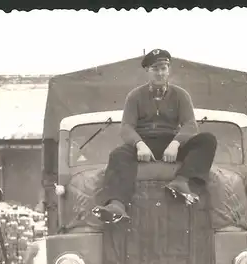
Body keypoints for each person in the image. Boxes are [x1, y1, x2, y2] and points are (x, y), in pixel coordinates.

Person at [92, 49, 217, 224]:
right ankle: (117, 205)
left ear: (169, 70)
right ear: (147, 71)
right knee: (118, 155)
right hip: (144, 144)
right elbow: (126, 127)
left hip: (171, 143)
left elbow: (190, 125)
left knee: (207, 140)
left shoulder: (181, 95)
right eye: (155, 69)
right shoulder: (135, 96)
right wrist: (138, 144)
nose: (160, 73)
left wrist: (175, 143)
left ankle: (181, 181)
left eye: (163, 68)